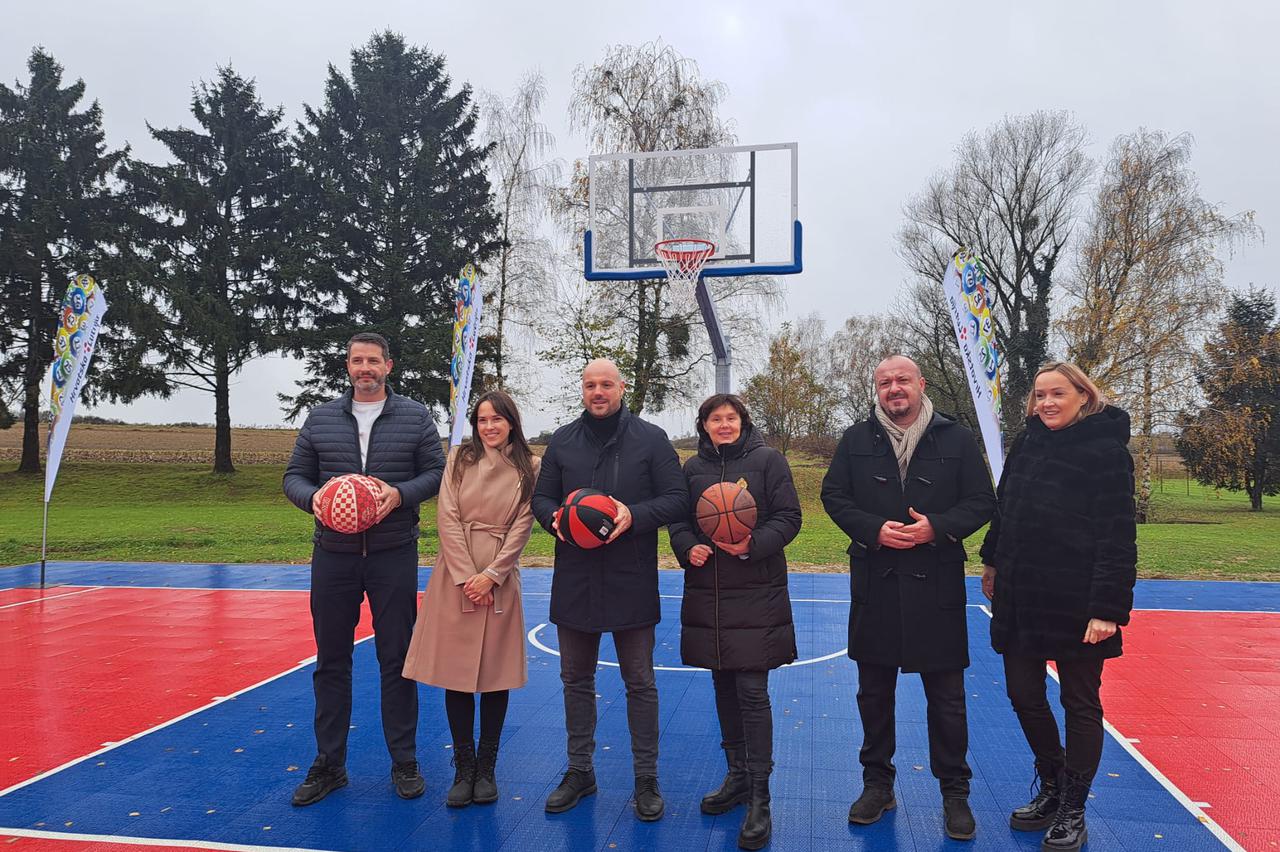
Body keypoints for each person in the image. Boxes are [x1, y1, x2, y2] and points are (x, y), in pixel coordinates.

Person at [820, 355, 995, 841]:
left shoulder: (955, 438)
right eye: (884, 382)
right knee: (874, 695)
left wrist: (935, 529)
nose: (894, 388)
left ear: (920, 384)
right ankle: (877, 785)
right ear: (876, 389)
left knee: (947, 699)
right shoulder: (856, 439)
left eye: (902, 380)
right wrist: (874, 529)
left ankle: (954, 793)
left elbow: (981, 501)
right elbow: (834, 496)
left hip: (935, 582)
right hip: (875, 583)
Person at [282, 332, 445, 806]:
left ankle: (405, 761)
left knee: (397, 659)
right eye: (357, 360)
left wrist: (400, 494)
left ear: (388, 366)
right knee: (332, 660)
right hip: (334, 554)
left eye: (373, 360)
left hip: (393, 552)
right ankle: (330, 764)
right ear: (348, 366)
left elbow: (435, 473)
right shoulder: (320, 418)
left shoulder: (415, 416)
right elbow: (294, 476)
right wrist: (314, 499)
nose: (365, 368)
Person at [980, 362, 1136, 852]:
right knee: (1023, 693)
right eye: (1039, 395)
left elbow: (1117, 537)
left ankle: (1074, 806)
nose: (1046, 403)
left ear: (1083, 397)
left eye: (1057, 394)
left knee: (1080, 704)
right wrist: (991, 560)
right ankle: (1051, 782)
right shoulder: (1027, 443)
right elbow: (1006, 507)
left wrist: (1107, 608)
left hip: (1078, 602)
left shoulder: (1106, 451)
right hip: (1022, 596)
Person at [531, 359, 688, 821]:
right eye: (589, 384)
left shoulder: (651, 438)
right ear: (582, 390)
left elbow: (677, 498)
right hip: (575, 577)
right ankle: (580, 771)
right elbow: (542, 498)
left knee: (639, 682)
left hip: (631, 576)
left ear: (622, 388)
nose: (597, 391)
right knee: (575, 680)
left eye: (606, 384)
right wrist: (555, 519)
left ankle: (646, 779)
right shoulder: (562, 439)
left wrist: (632, 516)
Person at [669, 394, 801, 851]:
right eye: (714, 419)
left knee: (752, 690)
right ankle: (737, 777)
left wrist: (751, 544)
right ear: (703, 425)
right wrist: (690, 548)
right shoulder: (691, 470)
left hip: (756, 591)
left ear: (742, 422)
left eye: (730, 418)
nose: (723, 425)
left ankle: (761, 794)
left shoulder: (768, 461)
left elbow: (790, 518)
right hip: (711, 593)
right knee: (723, 685)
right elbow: (680, 521)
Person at [402, 390, 539, 808]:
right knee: (457, 673)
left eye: (497, 419)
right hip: (456, 577)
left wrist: (493, 575)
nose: (490, 427)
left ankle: (487, 768)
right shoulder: (458, 459)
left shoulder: (531, 467)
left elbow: (523, 524)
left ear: (512, 422)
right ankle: (463, 767)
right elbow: (447, 516)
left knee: (495, 675)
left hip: (499, 577)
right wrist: (467, 577)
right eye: (482, 420)